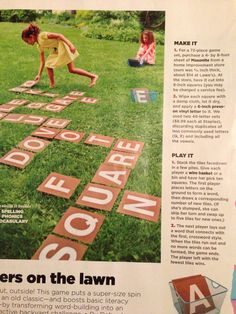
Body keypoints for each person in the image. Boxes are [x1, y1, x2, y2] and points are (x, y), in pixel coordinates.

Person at [22, 24, 98, 88]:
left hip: (62, 47)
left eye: (27, 41)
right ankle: (52, 85)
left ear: (31, 36)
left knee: (71, 69)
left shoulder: (42, 36)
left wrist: (71, 45)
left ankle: (93, 76)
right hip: (57, 49)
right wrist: (39, 74)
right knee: (49, 64)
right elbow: (42, 61)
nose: (27, 43)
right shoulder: (39, 46)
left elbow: (59, 35)